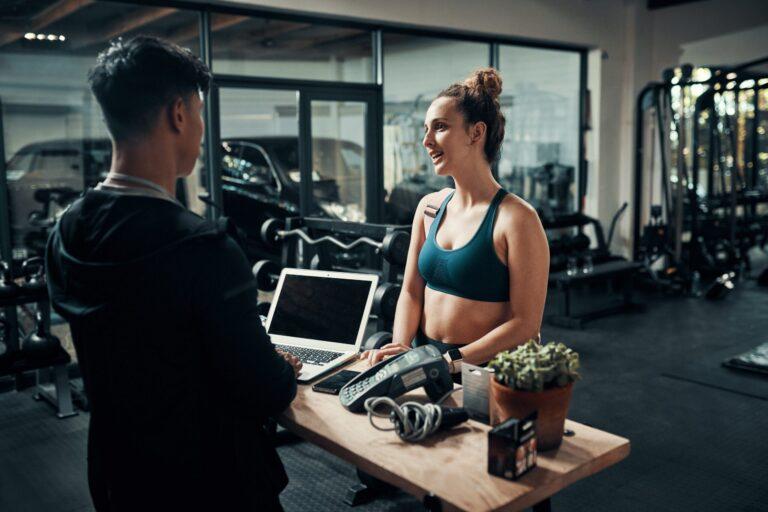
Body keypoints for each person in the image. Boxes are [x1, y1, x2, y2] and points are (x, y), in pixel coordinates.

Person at [45, 36, 301, 512]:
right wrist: (280, 367)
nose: (202, 130)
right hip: (214, 488)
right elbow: (263, 388)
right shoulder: (204, 249)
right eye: (199, 113)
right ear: (179, 114)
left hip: (121, 479)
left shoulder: (66, 233)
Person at [363, 68, 549, 375]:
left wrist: (450, 362)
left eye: (439, 127)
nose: (426, 141)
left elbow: (525, 325)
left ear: (476, 133)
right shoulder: (429, 207)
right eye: (426, 129)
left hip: (483, 370)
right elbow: (410, 290)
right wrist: (402, 349)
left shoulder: (517, 219)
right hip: (423, 359)